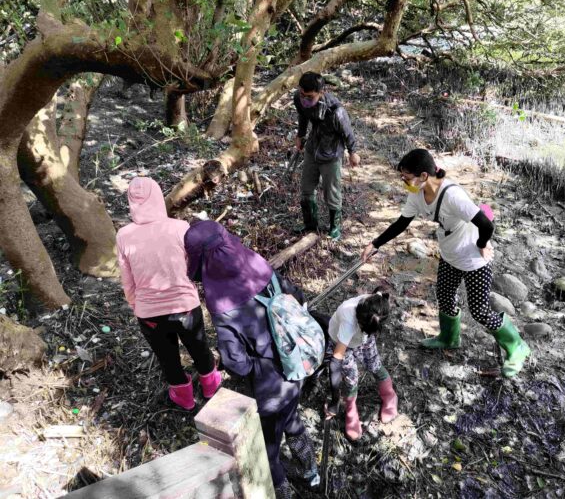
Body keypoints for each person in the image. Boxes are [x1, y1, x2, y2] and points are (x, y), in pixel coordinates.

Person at [361, 149, 531, 378]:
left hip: (473, 260)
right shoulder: (417, 195)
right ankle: (449, 338)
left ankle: (516, 346)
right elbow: (402, 223)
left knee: (480, 311)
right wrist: (375, 244)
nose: (404, 181)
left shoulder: (453, 196)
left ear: (423, 176)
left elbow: (486, 225)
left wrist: (482, 244)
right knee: (445, 297)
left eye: (406, 177)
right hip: (450, 255)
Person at [184, 220, 318, 499]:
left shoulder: (224, 305)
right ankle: (311, 471)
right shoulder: (259, 267)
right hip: (298, 365)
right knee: (292, 417)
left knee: (268, 449)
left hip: (270, 387)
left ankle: (284, 493)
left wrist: (257, 367)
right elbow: (297, 296)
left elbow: (235, 362)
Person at [116, 177, 222, 410]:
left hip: (150, 314)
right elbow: (192, 266)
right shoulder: (180, 227)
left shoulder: (123, 235)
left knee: (167, 358)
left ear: (131, 202)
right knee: (199, 346)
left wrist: (138, 306)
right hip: (185, 306)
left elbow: (127, 281)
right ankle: (210, 386)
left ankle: (184, 398)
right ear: (157, 197)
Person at [325, 287, 398, 441]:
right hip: (341, 341)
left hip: (362, 336)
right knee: (351, 378)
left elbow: (380, 293)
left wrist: (366, 334)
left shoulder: (375, 306)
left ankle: (390, 395)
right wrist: (334, 401)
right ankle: (351, 411)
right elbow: (335, 364)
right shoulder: (349, 319)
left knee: (374, 364)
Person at [293, 71, 359, 240]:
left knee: (332, 192)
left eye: (309, 96)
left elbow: (348, 133)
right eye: (302, 94)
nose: (304, 98)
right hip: (312, 148)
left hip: (331, 154)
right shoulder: (299, 100)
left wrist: (353, 152)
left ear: (321, 92)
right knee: (307, 189)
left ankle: (334, 228)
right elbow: (303, 117)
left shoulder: (336, 111)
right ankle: (310, 226)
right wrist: (300, 136)